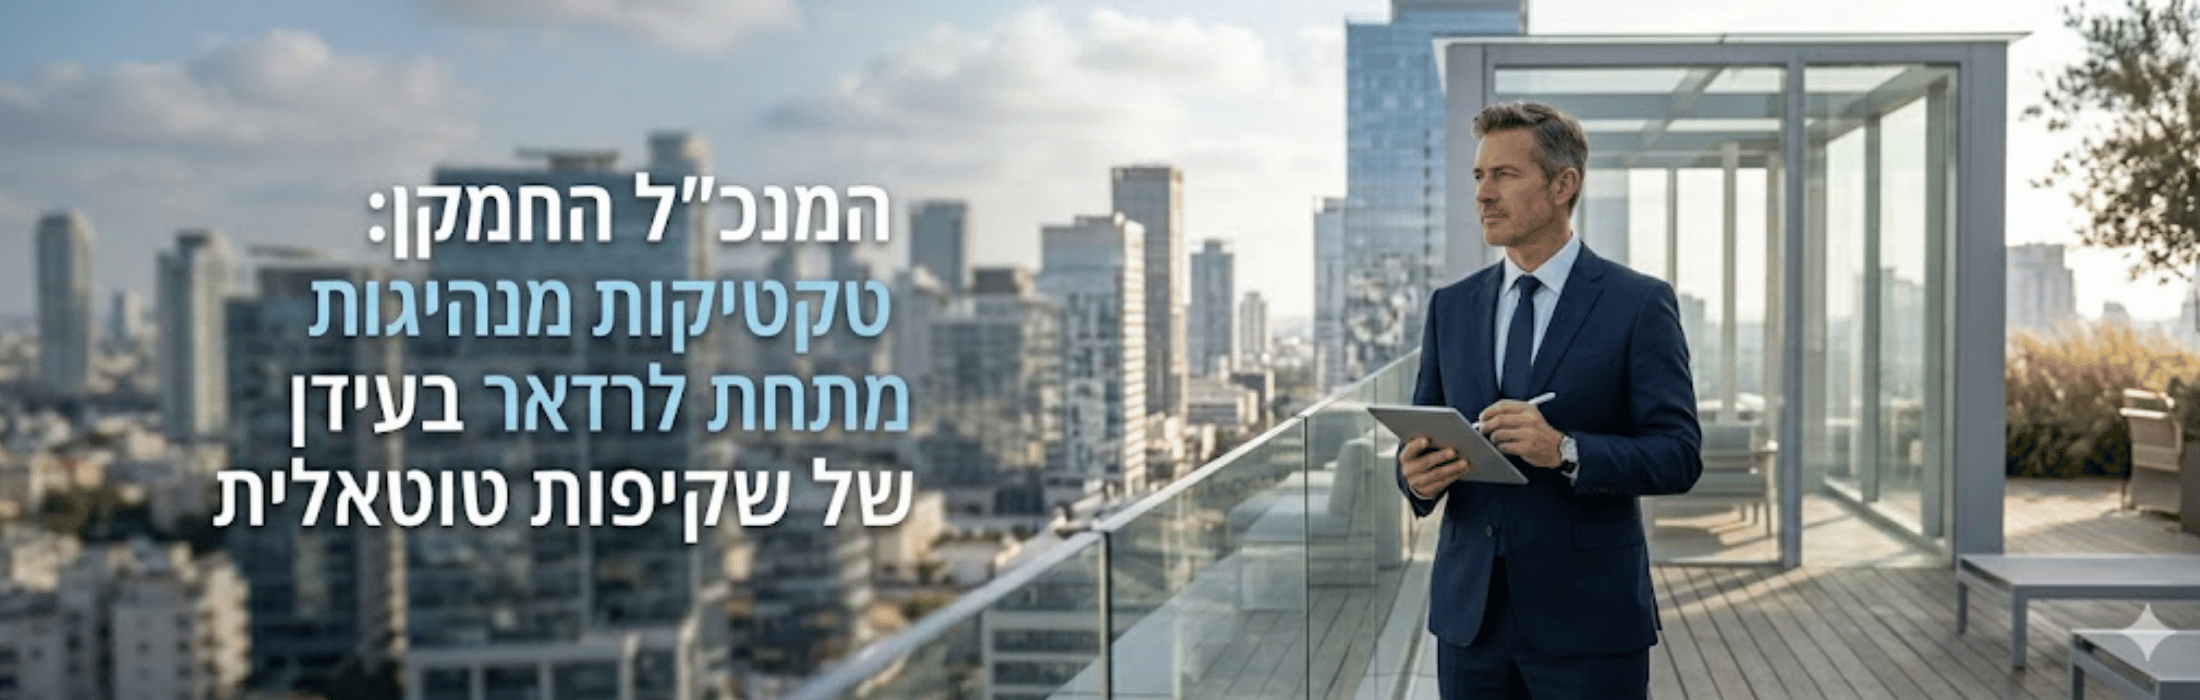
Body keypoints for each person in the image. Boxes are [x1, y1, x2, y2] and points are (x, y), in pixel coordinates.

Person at [1394, 101, 1703, 700]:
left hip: (1588, 621)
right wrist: (1416, 478)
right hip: (1469, 623)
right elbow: (1423, 434)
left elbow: (1679, 454)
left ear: (1564, 185)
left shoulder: (1638, 304)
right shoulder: (1450, 307)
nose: (1484, 193)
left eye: (1504, 175)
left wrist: (1564, 449)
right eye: (1479, 177)